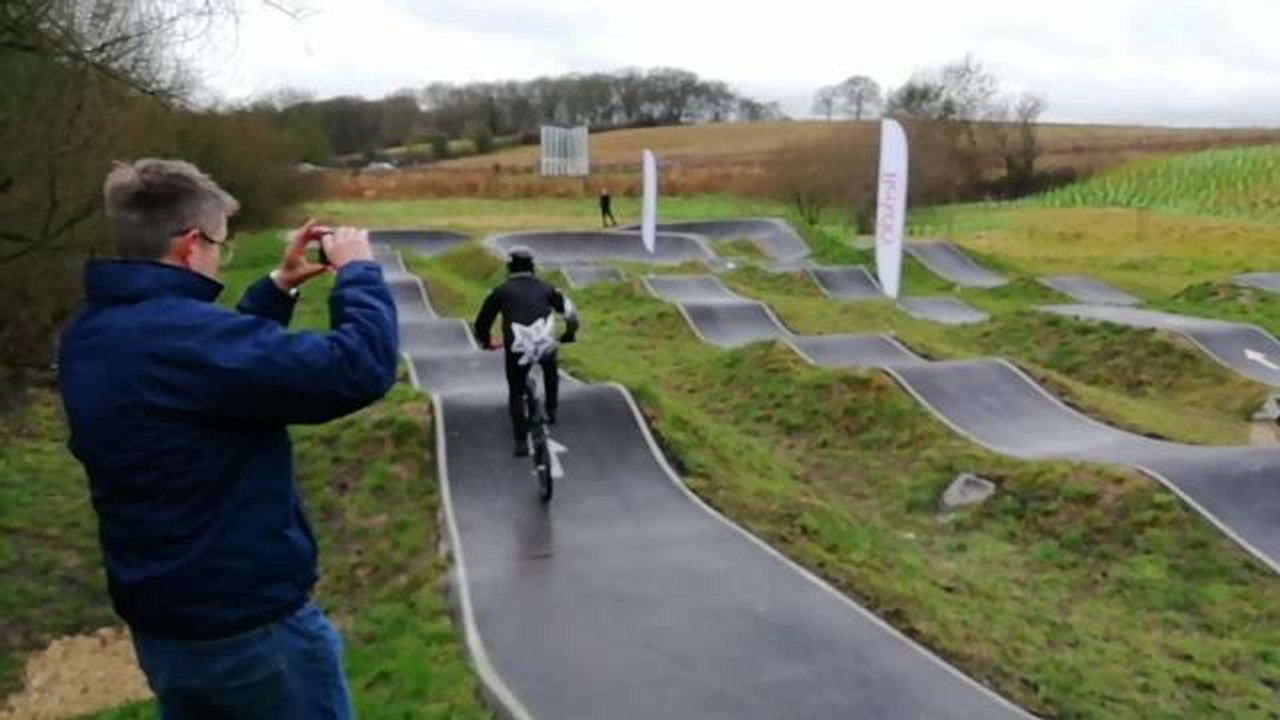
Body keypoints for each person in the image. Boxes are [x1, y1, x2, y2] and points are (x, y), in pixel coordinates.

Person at [58, 158, 399, 719]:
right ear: (191, 245)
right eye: (221, 244)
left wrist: (275, 289)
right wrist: (358, 272)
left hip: (163, 629)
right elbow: (358, 367)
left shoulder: (90, 334)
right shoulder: (189, 341)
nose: (221, 257)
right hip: (251, 628)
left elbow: (208, 375)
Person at [473, 246, 579, 456]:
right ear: (532, 267)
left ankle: (521, 443)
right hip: (544, 342)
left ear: (509, 267)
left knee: (516, 391)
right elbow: (570, 313)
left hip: (517, 346)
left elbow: (481, 323)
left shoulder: (500, 291)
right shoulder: (547, 288)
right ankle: (551, 411)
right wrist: (569, 333)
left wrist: (486, 342)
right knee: (550, 371)